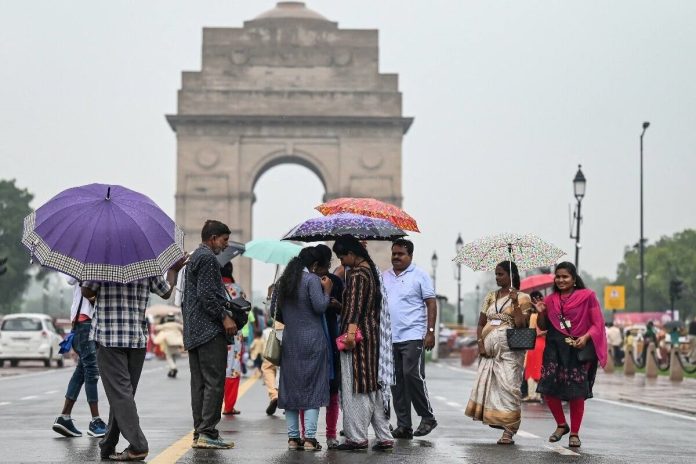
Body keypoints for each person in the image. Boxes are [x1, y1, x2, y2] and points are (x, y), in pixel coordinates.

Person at [82, 257, 187, 461]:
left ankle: (138, 445)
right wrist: (173, 269)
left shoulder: (103, 260)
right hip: (136, 340)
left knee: (120, 394)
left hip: (109, 337)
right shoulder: (146, 262)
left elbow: (87, 291)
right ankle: (108, 444)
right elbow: (165, 291)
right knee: (123, 394)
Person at [182, 219, 241, 450]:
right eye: (224, 240)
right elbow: (207, 295)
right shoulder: (207, 258)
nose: (226, 246)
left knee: (199, 384)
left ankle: (200, 432)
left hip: (194, 330)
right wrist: (225, 316)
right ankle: (208, 432)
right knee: (214, 383)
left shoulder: (194, 257)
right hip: (208, 330)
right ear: (213, 238)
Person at [535, 261, 607, 448]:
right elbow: (543, 326)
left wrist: (585, 337)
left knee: (577, 392)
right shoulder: (549, 300)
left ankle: (574, 432)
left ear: (574, 279)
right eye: (557, 276)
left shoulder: (588, 296)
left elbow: (597, 323)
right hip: (554, 348)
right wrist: (541, 313)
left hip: (578, 348)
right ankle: (561, 424)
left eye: (565, 276)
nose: (560, 280)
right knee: (547, 387)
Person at [332, 235, 394, 452]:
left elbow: (356, 307)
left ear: (351, 253)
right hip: (370, 336)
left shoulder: (358, 274)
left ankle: (357, 438)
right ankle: (384, 436)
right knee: (372, 386)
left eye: (342, 257)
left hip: (356, 339)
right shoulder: (371, 270)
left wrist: (349, 333)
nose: (341, 262)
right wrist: (341, 305)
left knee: (356, 387)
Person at [465, 261, 532, 445]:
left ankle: (510, 429)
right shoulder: (490, 297)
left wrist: (515, 302)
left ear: (512, 275)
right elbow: (480, 323)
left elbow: (521, 325)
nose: (497, 277)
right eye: (496, 274)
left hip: (510, 352)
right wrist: (480, 343)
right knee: (493, 389)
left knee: (510, 388)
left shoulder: (523, 297)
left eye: (501, 274)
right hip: (489, 353)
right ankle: (499, 421)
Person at [274, 247, 332, 451]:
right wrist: (327, 290)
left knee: (291, 389)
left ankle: (292, 438)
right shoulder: (312, 280)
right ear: (315, 265)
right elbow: (320, 306)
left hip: (290, 341)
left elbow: (277, 312)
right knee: (313, 388)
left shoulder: (283, 282)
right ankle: (309, 438)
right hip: (313, 341)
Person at [382, 239, 438, 439]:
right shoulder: (384, 277)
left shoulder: (420, 275)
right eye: (394, 253)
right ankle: (404, 425)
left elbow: (431, 303)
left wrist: (430, 332)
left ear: (410, 256)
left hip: (413, 335)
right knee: (396, 381)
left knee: (411, 374)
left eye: (401, 254)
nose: (396, 257)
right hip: (390, 337)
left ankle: (427, 416)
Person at [298, 244, 344, 448]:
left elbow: (344, 308)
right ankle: (311, 434)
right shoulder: (303, 282)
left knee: (331, 389)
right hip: (314, 339)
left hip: (329, 337)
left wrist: (336, 304)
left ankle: (327, 434)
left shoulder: (335, 281)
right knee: (309, 389)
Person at [52, 276, 106, 439]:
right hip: (85, 323)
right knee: (91, 370)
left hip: (87, 323)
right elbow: (70, 280)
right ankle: (95, 421)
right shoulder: (84, 266)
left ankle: (64, 417)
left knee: (81, 371)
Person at [261, 284, 282, 415]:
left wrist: (270, 295)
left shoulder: (279, 286)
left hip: (279, 329)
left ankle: (274, 395)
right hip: (297, 331)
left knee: (268, 366)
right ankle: (289, 399)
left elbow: (271, 313)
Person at [523, 291, 546, 402]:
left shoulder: (532, 316)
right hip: (543, 344)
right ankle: (538, 395)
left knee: (531, 370)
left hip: (534, 344)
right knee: (538, 369)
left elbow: (533, 332)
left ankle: (531, 394)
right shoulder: (543, 315)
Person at [153, 313, 184, 378]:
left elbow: (156, 328)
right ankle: (172, 370)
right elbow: (183, 328)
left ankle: (173, 367)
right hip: (176, 342)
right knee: (174, 355)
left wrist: (159, 321)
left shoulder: (165, 325)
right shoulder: (176, 325)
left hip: (168, 342)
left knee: (169, 356)